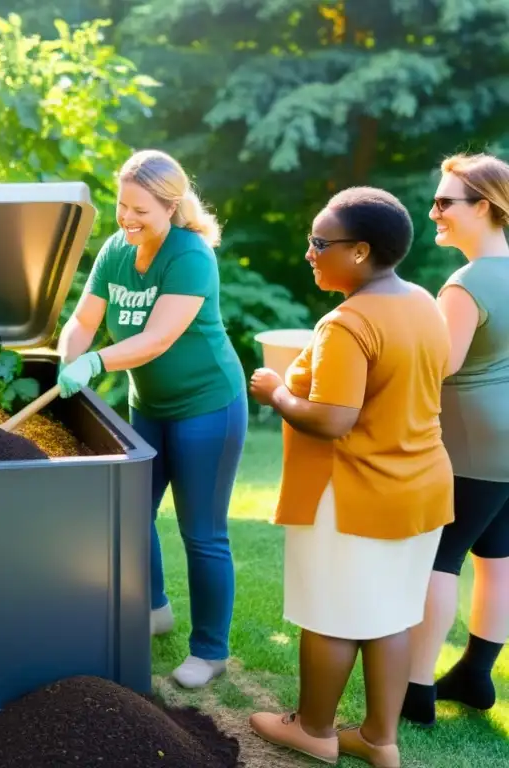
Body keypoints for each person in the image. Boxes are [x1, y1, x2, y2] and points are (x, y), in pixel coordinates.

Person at [246, 187, 454, 767]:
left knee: (332, 615)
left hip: (355, 489)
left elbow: (334, 419)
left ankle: (313, 729)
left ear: (360, 251)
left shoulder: (348, 322)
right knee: (390, 614)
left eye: (320, 243)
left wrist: (277, 392)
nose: (310, 252)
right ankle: (379, 739)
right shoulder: (423, 303)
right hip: (422, 486)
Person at [56, 149, 248, 689]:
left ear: (170, 206)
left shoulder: (190, 256)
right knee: (131, 511)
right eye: (122, 205)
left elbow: (158, 338)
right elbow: (83, 318)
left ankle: (209, 651)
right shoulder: (118, 250)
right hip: (151, 405)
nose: (127, 218)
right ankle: (156, 608)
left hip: (207, 405)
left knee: (203, 533)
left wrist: (97, 362)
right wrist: (72, 355)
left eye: (140, 209)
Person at [403, 153, 509, 727]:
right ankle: (475, 674)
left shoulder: (465, 283)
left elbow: (440, 366)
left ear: (486, 208)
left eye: (446, 202)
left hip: (474, 438)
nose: (434, 211)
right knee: (499, 557)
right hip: (506, 442)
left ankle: (415, 689)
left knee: (439, 558)